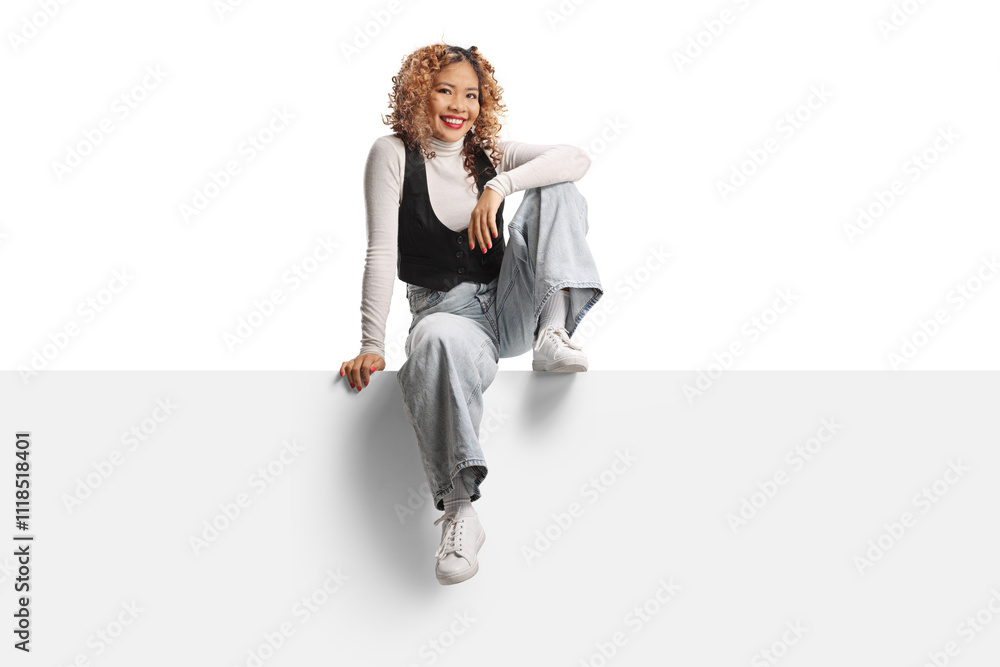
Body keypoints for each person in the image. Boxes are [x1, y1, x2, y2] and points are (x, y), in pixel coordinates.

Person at [339, 43, 603, 585]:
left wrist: (500, 185)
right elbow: (380, 252)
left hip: (510, 303)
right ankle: (460, 510)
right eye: (444, 90)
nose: (459, 105)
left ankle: (554, 332)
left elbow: (576, 156)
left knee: (555, 186)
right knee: (432, 341)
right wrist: (372, 344)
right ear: (419, 93)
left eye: (471, 95)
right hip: (448, 315)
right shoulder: (392, 153)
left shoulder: (489, 154)